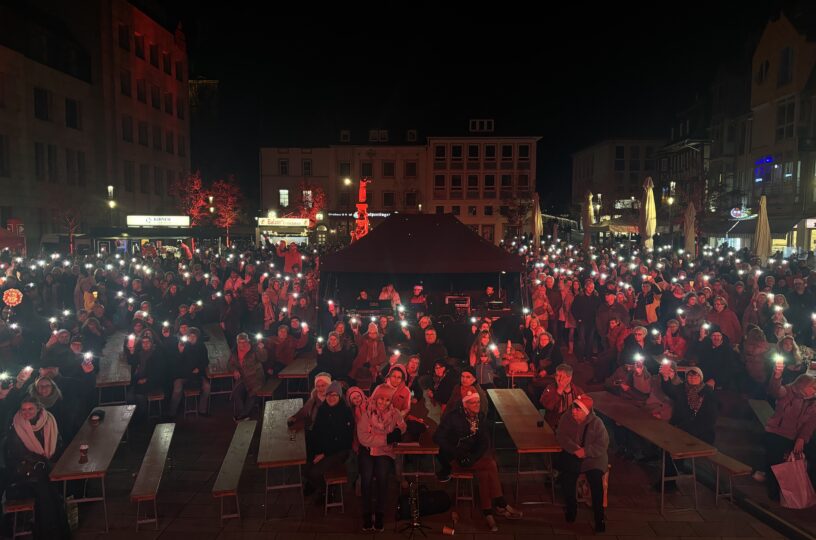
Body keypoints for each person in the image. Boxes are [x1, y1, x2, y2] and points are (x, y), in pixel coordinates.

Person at [434, 391, 522, 532]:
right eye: (473, 402)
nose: (477, 405)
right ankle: (499, 503)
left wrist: (473, 457)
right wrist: (457, 453)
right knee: (490, 464)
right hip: (455, 458)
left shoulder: (480, 417)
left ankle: (489, 513)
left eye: (478, 402)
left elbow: (484, 442)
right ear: (465, 405)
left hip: (471, 457)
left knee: (485, 471)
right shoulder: (453, 417)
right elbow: (438, 437)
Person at [5, 396, 70, 539]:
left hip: (45, 468)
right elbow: (17, 455)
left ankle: (54, 531)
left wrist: (50, 461)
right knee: (45, 490)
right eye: (23, 410)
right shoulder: (16, 426)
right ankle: (52, 533)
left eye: (30, 409)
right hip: (24, 473)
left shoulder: (49, 421)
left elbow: (58, 445)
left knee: (50, 488)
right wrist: (41, 462)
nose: (26, 413)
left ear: (38, 409)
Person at [658, 364, 718, 491]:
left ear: (700, 377)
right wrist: (665, 378)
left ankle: (670, 482)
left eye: (695, 375)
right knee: (665, 443)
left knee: (672, 446)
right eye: (689, 375)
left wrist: (686, 430)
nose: (692, 378)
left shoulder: (708, 394)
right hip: (682, 428)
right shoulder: (682, 389)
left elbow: (709, 420)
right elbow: (669, 389)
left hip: (701, 433)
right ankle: (670, 478)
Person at [356, 384, 406, 532]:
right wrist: (386, 438)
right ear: (375, 398)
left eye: (387, 400)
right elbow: (364, 437)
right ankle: (366, 513)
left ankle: (379, 513)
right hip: (368, 450)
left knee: (383, 477)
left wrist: (398, 430)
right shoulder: (367, 413)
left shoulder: (395, 413)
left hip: (384, 451)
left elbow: (403, 426)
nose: (383, 402)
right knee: (366, 478)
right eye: (381, 399)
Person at [556, 394, 609, 533]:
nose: (574, 411)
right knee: (567, 478)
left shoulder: (597, 423)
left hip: (593, 458)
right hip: (573, 455)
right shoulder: (566, 418)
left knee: (596, 482)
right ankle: (571, 509)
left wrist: (586, 451)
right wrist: (575, 449)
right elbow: (561, 435)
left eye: (578, 409)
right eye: (574, 408)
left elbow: (603, 444)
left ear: (585, 412)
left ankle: (599, 518)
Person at [763, 369, 816, 501]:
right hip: (777, 432)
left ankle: (786, 492)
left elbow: (810, 424)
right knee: (775, 462)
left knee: (788, 464)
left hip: (794, 436)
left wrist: (802, 438)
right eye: (813, 387)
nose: (814, 391)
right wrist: (776, 376)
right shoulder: (788, 392)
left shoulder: (813, 402)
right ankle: (773, 492)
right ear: (803, 385)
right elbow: (775, 390)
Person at [304, 381, 354, 499]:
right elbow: (316, 432)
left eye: (334, 395)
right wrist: (313, 451)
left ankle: (326, 490)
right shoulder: (322, 409)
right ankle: (319, 485)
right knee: (304, 467)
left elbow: (344, 440)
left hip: (338, 451)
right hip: (323, 448)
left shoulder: (345, 412)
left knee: (314, 472)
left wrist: (324, 454)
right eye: (328, 395)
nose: (331, 398)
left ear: (339, 396)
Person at [168, 327, 212, 417]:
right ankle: (172, 412)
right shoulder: (182, 345)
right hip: (182, 375)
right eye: (190, 336)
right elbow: (175, 362)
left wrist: (199, 368)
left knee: (207, 387)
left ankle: (202, 410)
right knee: (177, 389)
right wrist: (180, 352)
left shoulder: (201, 346)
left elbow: (205, 361)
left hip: (197, 375)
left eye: (194, 336)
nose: (192, 338)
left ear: (197, 337)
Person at [227, 333, 266, 422]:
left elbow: (263, 359)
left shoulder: (254, 349)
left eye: (244, 342)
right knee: (236, 393)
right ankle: (243, 414)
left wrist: (261, 349)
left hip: (256, 377)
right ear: (237, 343)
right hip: (243, 378)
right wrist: (235, 370)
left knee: (252, 393)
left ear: (248, 341)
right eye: (240, 342)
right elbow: (229, 365)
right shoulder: (234, 352)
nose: (242, 344)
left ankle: (242, 415)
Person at [540, 364, 584, 429]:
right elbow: (546, 405)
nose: (558, 379)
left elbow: (584, 411)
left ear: (569, 378)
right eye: (557, 375)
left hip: (572, 426)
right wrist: (559, 390)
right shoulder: (550, 388)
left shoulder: (578, 392)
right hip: (554, 425)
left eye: (562, 376)